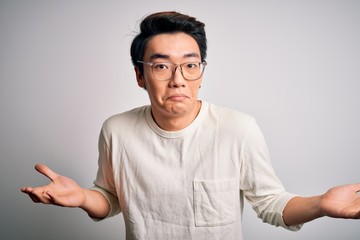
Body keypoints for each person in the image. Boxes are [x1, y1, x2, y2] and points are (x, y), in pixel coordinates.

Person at [21, 11, 360, 240]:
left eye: (190, 65)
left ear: (202, 71)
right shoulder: (116, 130)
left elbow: (270, 203)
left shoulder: (238, 129)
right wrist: (82, 196)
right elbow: (111, 199)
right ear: (140, 75)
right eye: (161, 66)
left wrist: (322, 204)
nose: (178, 80)